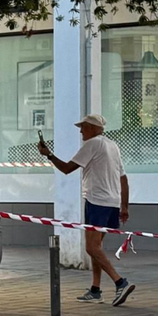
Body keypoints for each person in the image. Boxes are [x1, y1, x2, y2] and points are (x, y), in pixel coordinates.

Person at [37, 114, 134, 305]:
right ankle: (95, 289)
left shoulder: (92, 145)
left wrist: (48, 154)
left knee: (91, 247)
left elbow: (66, 168)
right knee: (96, 248)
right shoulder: (112, 145)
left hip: (97, 201)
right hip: (112, 202)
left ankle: (120, 282)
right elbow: (123, 178)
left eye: (83, 127)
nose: (81, 131)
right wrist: (124, 205)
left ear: (92, 127)